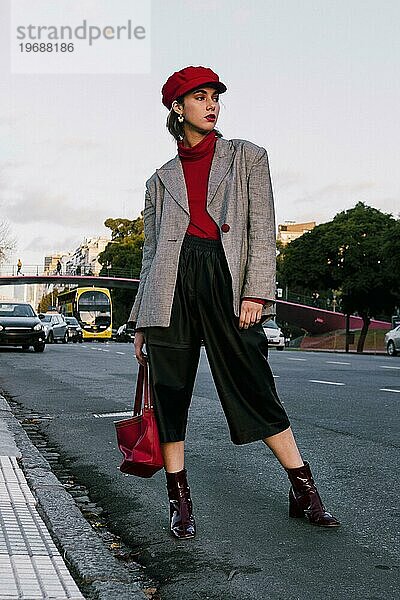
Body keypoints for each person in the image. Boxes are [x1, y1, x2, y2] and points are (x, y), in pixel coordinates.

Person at [130, 66, 340, 539]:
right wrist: (142, 319)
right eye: (199, 97)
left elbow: (261, 229)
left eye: (215, 97)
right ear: (177, 108)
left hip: (227, 280)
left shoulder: (247, 157)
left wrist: (256, 292)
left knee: (253, 384)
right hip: (171, 287)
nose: (211, 105)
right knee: (170, 392)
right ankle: (179, 500)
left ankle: (303, 487)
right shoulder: (159, 179)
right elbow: (149, 254)